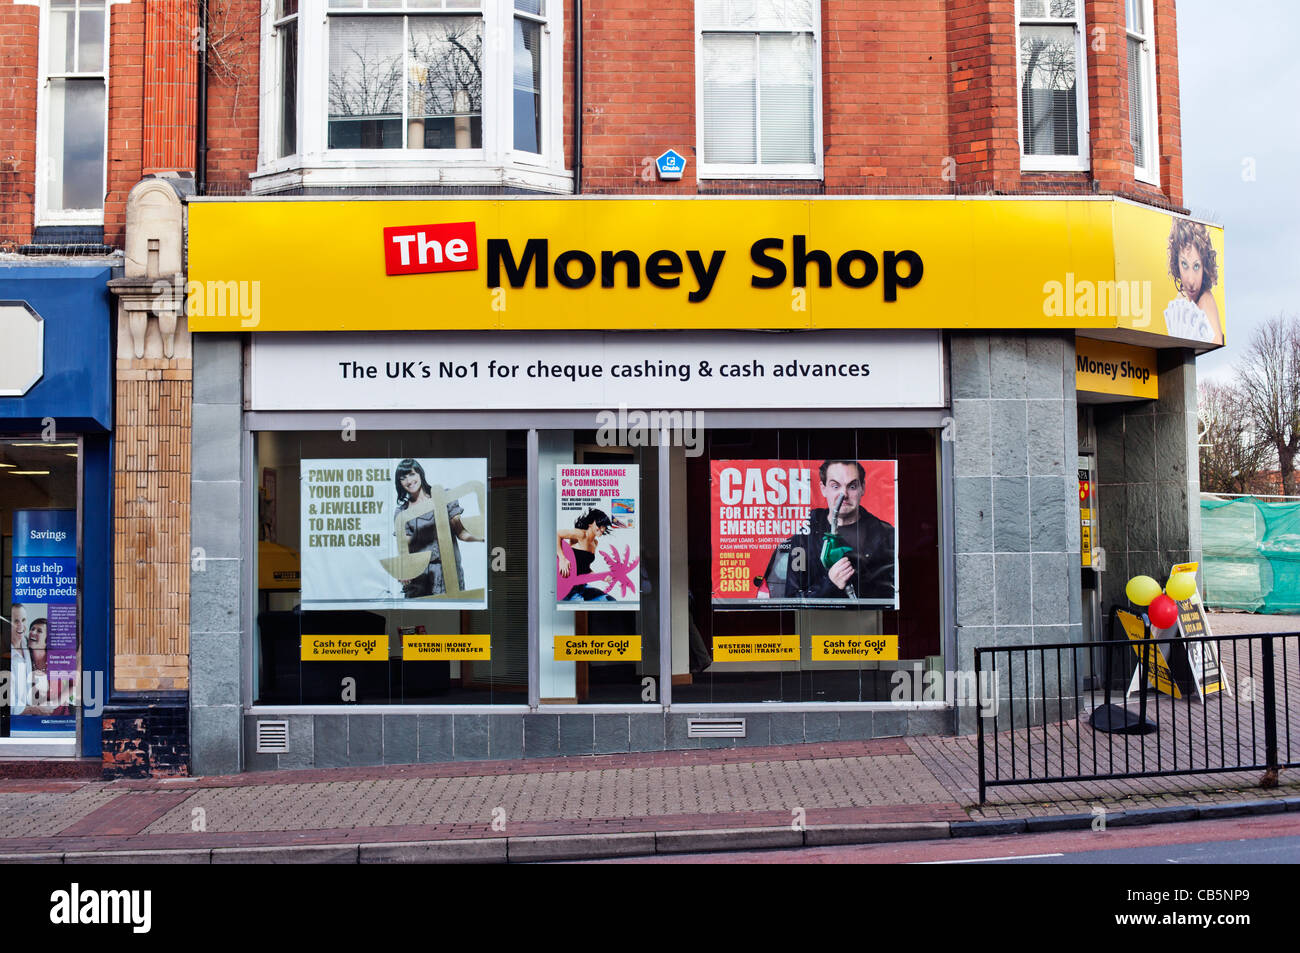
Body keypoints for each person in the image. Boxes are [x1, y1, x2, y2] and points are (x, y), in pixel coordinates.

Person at [782, 460, 895, 601]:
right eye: (835, 486)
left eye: (852, 486)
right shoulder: (804, 537)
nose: (844, 495)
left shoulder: (887, 535)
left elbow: (893, 596)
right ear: (823, 489)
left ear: (863, 488)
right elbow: (791, 599)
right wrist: (829, 583)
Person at [393, 458, 482, 599]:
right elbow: (405, 548)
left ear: (420, 474)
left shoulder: (444, 497)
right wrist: (403, 569)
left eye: (412, 474)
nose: (409, 481)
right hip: (419, 579)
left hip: (448, 573)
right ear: (399, 483)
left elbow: (462, 533)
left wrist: (482, 538)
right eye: (403, 478)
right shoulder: (402, 512)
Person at [1164, 219, 1222, 345]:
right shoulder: (1181, 301)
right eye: (1184, 264)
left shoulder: (1205, 302)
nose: (1191, 281)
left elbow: (1215, 341)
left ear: (1205, 266)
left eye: (1196, 266)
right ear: (1176, 263)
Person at [557, 508, 621, 602]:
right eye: (600, 525)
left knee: (610, 600)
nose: (602, 529)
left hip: (582, 585)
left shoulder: (595, 543)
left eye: (604, 526)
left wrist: (600, 577)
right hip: (568, 588)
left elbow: (585, 568)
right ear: (590, 523)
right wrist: (562, 559)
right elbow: (557, 534)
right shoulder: (580, 534)